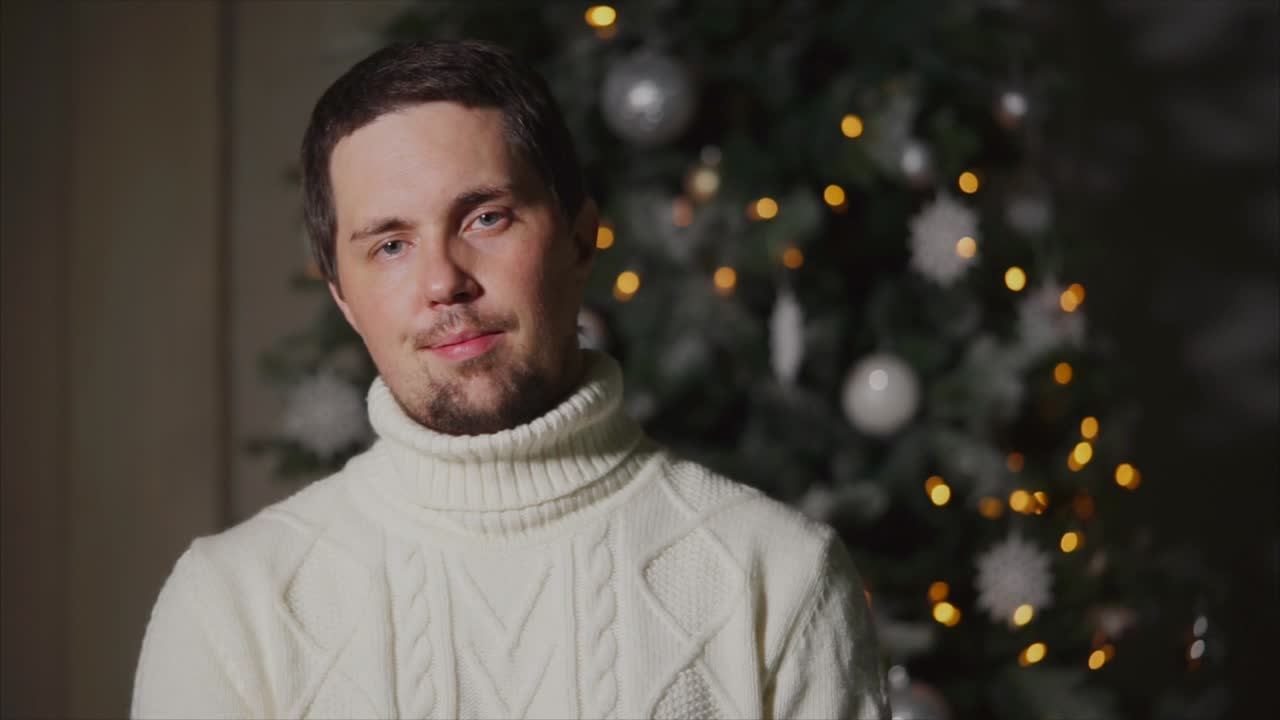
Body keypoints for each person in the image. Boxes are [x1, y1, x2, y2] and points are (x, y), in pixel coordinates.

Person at [131, 40, 889, 720]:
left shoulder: (778, 578)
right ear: (344, 299)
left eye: (485, 218)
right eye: (391, 244)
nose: (443, 283)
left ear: (582, 238)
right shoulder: (233, 606)